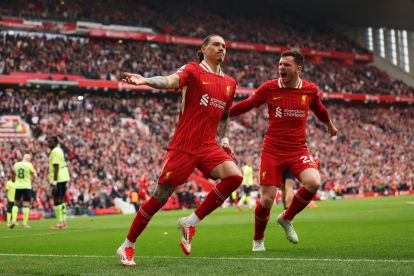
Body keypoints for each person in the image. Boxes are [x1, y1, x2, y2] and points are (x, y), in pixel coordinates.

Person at [116, 34, 243, 266]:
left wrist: (223, 139)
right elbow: (169, 80)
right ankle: (127, 245)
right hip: (184, 145)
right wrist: (145, 80)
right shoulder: (193, 70)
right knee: (160, 197)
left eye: (224, 46)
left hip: (208, 145)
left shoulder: (230, 83)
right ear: (204, 48)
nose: (221, 49)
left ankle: (190, 222)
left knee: (235, 177)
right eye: (216, 44)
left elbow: (225, 115)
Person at [230, 50, 337, 251]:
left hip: (298, 150)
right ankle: (258, 240)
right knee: (267, 199)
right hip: (273, 150)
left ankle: (286, 218)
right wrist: (225, 114)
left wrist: (329, 125)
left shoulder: (309, 90)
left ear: (298, 69)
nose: (281, 68)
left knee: (314, 182)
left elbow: (319, 109)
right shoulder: (269, 87)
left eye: (286, 65)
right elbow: (248, 104)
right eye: (280, 64)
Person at [48, 136, 71, 230]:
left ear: (55, 142)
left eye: (51, 142)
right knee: (61, 199)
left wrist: (54, 182)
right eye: (48, 142)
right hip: (63, 176)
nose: (48, 144)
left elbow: (56, 166)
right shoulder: (59, 150)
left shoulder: (55, 151)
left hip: (59, 178)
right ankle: (63, 222)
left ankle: (60, 223)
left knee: (57, 199)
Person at [10, 154, 37, 228]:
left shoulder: (16, 164)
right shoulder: (29, 165)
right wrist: (33, 178)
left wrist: (14, 180)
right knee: (26, 204)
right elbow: (35, 175)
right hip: (26, 186)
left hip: (18, 186)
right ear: (29, 159)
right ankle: (25, 223)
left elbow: (13, 176)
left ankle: (14, 220)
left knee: (16, 203)